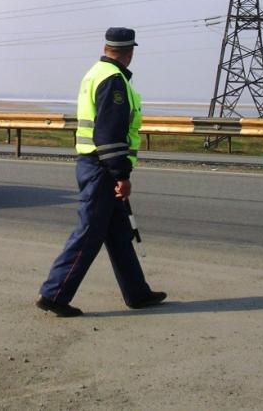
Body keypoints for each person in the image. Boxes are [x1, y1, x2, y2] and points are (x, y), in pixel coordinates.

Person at [36, 27, 166, 317]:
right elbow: (109, 134)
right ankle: (54, 293)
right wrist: (121, 174)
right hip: (102, 168)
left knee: (119, 233)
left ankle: (137, 293)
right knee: (89, 232)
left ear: (107, 48)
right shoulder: (113, 80)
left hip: (94, 165)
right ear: (130, 52)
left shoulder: (95, 72)